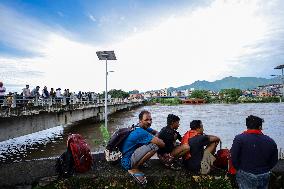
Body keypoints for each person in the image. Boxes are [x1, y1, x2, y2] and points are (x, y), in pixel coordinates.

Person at [231, 115, 278, 189]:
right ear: (260, 127)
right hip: (264, 174)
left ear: (247, 126)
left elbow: (233, 158)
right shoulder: (270, 141)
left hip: (245, 173)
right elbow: (274, 160)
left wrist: (240, 169)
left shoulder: (239, 139)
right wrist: (265, 169)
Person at [120, 110, 164, 185]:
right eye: (146, 120)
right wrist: (155, 139)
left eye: (150, 119)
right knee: (154, 146)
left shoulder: (138, 126)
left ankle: (136, 164)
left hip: (124, 157)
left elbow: (157, 132)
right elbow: (162, 144)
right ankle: (134, 168)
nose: (149, 122)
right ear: (140, 121)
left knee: (150, 142)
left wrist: (154, 137)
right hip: (127, 162)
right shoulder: (140, 132)